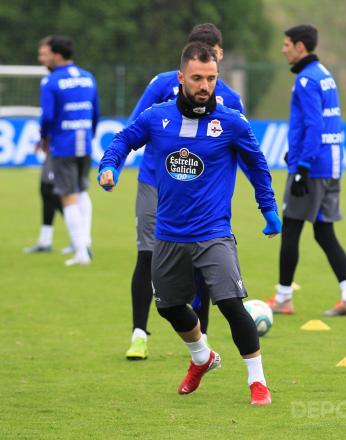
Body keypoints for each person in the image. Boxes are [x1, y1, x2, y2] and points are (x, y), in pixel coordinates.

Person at [98, 42, 280, 405]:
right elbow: (123, 139)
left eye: (211, 78)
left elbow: (257, 165)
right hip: (168, 233)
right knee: (167, 306)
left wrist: (268, 207)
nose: (205, 85)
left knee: (231, 304)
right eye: (197, 78)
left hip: (214, 233)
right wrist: (109, 165)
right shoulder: (157, 117)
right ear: (181, 77)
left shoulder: (230, 122)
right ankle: (202, 356)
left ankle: (257, 383)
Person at [124, 23, 245, 361]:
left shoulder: (229, 99)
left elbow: (241, 149)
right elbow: (134, 126)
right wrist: (113, 167)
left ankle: (201, 340)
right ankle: (139, 333)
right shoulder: (163, 84)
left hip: (202, 192)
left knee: (202, 260)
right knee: (148, 254)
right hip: (155, 182)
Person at [267, 24, 346, 317]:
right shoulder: (325, 76)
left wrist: (302, 166)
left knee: (291, 229)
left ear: (300, 47)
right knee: (324, 233)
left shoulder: (306, 81)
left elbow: (314, 125)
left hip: (313, 168)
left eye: (286, 44)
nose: (283, 49)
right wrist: (296, 152)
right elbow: (322, 124)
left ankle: (283, 298)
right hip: (331, 164)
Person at [38, 35, 99, 266]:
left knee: (67, 195)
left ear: (56, 54)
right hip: (85, 141)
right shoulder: (88, 77)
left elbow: (48, 116)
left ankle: (81, 250)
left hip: (63, 144)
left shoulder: (52, 81)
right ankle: (86, 241)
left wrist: (44, 138)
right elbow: (95, 112)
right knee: (83, 191)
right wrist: (90, 133)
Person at [23, 149, 64, 254]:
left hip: (58, 157)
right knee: (47, 195)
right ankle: (45, 241)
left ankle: (80, 240)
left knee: (56, 197)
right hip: (53, 157)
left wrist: (44, 139)